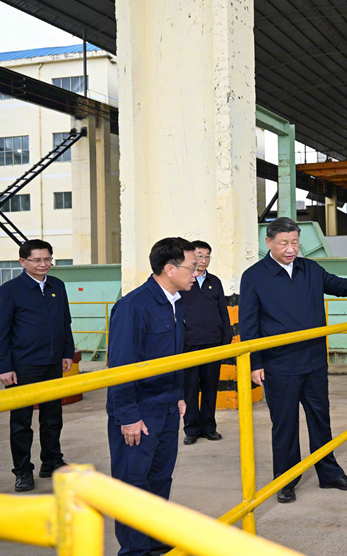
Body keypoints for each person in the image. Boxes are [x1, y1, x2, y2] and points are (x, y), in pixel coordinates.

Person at [240, 217, 347, 504]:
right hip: (279, 365)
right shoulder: (254, 276)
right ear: (269, 243)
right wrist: (255, 363)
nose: (291, 249)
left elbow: (331, 282)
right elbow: (249, 324)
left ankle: (329, 474)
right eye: (284, 243)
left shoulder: (309, 268)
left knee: (320, 419)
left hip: (313, 361)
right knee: (284, 424)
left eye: (295, 243)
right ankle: (286, 480)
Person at [107, 237, 198, 556]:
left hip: (168, 405)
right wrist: (128, 416)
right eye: (191, 265)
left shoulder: (176, 301)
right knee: (133, 482)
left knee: (159, 478)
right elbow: (119, 367)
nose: (196, 270)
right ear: (169, 268)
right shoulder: (134, 306)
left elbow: (174, 355)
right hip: (139, 411)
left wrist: (180, 395)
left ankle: (155, 540)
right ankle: (134, 551)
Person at [0, 240, 74, 492]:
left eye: (47, 259)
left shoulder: (58, 286)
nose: (44, 265)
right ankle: (22, 471)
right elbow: (2, 331)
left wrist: (67, 353)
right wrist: (4, 367)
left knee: (52, 417)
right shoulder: (10, 290)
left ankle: (51, 461)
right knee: (21, 422)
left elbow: (65, 322)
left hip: (53, 363)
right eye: (37, 260)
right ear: (23, 262)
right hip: (23, 366)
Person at [180, 240, 232, 445]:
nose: (204, 260)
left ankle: (209, 427)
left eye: (207, 256)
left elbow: (223, 311)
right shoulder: (185, 281)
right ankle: (191, 429)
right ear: (192, 257)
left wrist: (225, 338)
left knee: (211, 387)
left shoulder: (215, 281)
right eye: (200, 255)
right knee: (190, 388)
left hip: (213, 343)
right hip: (189, 344)